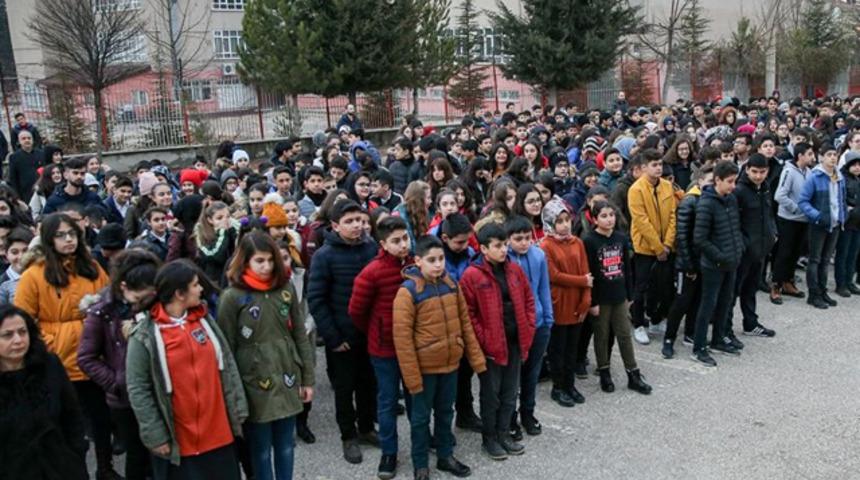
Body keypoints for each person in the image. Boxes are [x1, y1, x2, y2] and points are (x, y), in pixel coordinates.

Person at [126, 260, 248, 480]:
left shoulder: (204, 320)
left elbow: (227, 364)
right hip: (181, 442)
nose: (201, 288)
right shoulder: (144, 336)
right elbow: (138, 389)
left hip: (219, 434)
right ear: (179, 294)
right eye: (195, 285)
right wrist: (155, 435)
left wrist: (238, 409)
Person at [13, 213, 114, 478]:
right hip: (58, 360)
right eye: (60, 235)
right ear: (49, 239)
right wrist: (47, 345)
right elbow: (23, 318)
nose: (68, 240)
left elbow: (111, 302)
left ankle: (106, 468)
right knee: (68, 426)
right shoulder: (33, 275)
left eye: (72, 234)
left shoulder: (92, 267)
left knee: (102, 421)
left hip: (96, 357)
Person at [217, 232, 314, 480]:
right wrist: (234, 394)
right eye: (259, 261)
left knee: (286, 445)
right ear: (245, 261)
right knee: (260, 450)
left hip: (286, 374)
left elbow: (300, 335)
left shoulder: (285, 288)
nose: (267, 266)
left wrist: (307, 378)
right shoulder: (233, 297)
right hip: (254, 381)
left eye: (271, 260)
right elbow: (226, 349)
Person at [393, 235, 486, 480]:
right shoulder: (408, 292)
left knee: (446, 412)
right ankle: (421, 464)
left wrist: (476, 359)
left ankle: (445, 456)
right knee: (421, 419)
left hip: (450, 365)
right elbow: (402, 340)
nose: (438, 265)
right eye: (431, 260)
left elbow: (465, 324)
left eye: (441, 259)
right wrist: (412, 378)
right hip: (424, 369)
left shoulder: (452, 285)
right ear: (418, 261)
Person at [307, 199, 379, 464]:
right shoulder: (325, 256)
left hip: (369, 334)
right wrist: (334, 338)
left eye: (359, 220)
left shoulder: (370, 248)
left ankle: (367, 427)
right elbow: (316, 299)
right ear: (335, 225)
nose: (357, 226)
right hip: (341, 337)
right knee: (345, 388)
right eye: (349, 222)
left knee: (368, 385)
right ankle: (348, 436)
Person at [78, 249, 161, 480]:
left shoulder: (157, 304)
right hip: (125, 400)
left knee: (161, 455)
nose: (142, 305)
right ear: (124, 287)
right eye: (139, 299)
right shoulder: (102, 312)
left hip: (159, 391)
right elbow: (86, 357)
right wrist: (116, 381)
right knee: (137, 455)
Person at [460, 223, 535, 461]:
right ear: (483, 248)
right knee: (490, 394)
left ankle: (504, 433)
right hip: (491, 347)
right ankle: (489, 437)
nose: (503, 250)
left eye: (504, 245)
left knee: (509, 392)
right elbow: (468, 314)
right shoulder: (472, 275)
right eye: (497, 246)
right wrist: (484, 340)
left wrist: (529, 329)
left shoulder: (514, 271)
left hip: (514, 341)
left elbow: (528, 301)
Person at [348, 216, 413, 480]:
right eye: (396, 241)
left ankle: (424, 440)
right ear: (383, 244)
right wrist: (379, 329)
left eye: (405, 239)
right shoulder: (372, 272)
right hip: (384, 349)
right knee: (387, 402)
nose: (403, 245)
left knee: (416, 399)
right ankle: (389, 452)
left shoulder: (415, 265)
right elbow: (356, 312)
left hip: (413, 347)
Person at [0, 305, 88, 480]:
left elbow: (72, 416)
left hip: (61, 467)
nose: (18, 340)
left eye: (22, 332)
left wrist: (76, 455)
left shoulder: (49, 365)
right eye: (7, 335)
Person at [583, 201, 652, 394]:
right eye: (603, 216)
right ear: (595, 219)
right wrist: (592, 302)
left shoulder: (621, 238)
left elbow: (628, 270)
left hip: (620, 295)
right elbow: (588, 272)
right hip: (601, 298)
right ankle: (604, 372)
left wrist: (630, 295)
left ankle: (633, 373)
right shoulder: (589, 241)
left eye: (611, 215)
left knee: (624, 335)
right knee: (602, 336)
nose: (609, 219)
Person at [691, 161, 745, 366]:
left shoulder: (730, 199)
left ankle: (718, 339)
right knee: (708, 304)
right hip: (714, 265)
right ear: (717, 180)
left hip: (731, 261)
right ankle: (699, 347)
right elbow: (700, 239)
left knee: (725, 301)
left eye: (735, 181)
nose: (733, 186)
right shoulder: (706, 203)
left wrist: (738, 249)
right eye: (729, 182)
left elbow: (735, 228)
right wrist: (720, 256)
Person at [538, 199, 591, 407]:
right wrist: (583, 281)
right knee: (557, 350)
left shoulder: (577, 242)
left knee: (572, 348)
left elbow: (586, 271)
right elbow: (554, 275)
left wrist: (586, 298)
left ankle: (570, 385)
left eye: (567, 220)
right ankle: (558, 387)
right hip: (559, 302)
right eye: (559, 221)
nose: (564, 225)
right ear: (551, 222)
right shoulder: (545, 245)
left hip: (577, 302)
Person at [505, 216, 553, 438]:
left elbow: (544, 288)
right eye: (518, 239)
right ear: (508, 240)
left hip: (539, 323)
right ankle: (510, 418)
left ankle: (528, 413)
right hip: (516, 325)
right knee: (513, 376)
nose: (524, 243)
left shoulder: (539, 255)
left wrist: (548, 318)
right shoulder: (505, 260)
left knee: (531, 374)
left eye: (527, 238)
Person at [662, 166, 713, 359]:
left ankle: (690, 333)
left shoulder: (711, 200)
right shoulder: (689, 201)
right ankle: (669, 338)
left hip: (704, 261)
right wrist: (689, 264)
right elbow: (682, 236)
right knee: (682, 301)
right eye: (708, 181)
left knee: (698, 299)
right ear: (699, 181)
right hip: (687, 262)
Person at [627, 150, 677, 345]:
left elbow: (673, 216)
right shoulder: (636, 189)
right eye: (654, 165)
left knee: (664, 286)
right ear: (644, 167)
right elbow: (641, 221)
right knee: (641, 287)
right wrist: (657, 247)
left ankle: (657, 319)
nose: (658, 168)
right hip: (645, 248)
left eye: (660, 165)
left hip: (666, 246)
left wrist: (667, 244)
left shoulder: (666, 186)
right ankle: (639, 324)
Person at [730, 154, 777, 339]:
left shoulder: (765, 188)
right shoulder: (739, 191)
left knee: (751, 290)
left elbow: (769, 214)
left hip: (761, 249)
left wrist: (773, 234)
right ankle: (725, 328)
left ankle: (750, 323)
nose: (758, 176)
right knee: (732, 293)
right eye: (755, 172)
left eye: (762, 172)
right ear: (747, 169)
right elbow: (734, 222)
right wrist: (744, 244)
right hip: (744, 251)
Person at [798, 144, 846, 309]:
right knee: (815, 259)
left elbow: (841, 199)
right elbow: (803, 201)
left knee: (826, 260)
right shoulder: (815, 176)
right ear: (821, 157)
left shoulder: (839, 176)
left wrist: (842, 217)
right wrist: (817, 215)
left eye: (835, 154)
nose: (833, 157)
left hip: (835, 224)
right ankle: (813, 293)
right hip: (819, 224)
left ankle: (822, 290)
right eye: (829, 154)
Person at [771, 143, 814, 304]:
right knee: (784, 253)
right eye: (809, 154)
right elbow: (780, 195)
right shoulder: (789, 171)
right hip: (788, 219)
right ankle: (776, 285)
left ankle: (788, 282)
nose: (812, 157)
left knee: (795, 252)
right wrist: (795, 208)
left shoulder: (809, 172)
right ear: (800, 155)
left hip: (804, 220)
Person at [834, 154, 860, 297]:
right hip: (847, 222)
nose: (857, 168)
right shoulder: (842, 179)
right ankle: (841, 283)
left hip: (858, 223)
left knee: (853, 254)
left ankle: (849, 281)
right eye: (854, 164)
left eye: (859, 165)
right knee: (843, 254)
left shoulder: (857, 179)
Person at [0, 227, 34, 304]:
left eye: (25, 251)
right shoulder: (2, 283)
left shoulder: (43, 275)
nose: (21, 257)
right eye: (14, 252)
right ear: (6, 255)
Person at [7, 130, 44, 201]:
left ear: (33, 140)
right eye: (23, 138)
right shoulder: (14, 157)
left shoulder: (41, 154)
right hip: (25, 193)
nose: (27, 140)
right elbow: (13, 178)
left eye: (29, 138)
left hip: (42, 190)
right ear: (19, 141)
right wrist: (16, 196)